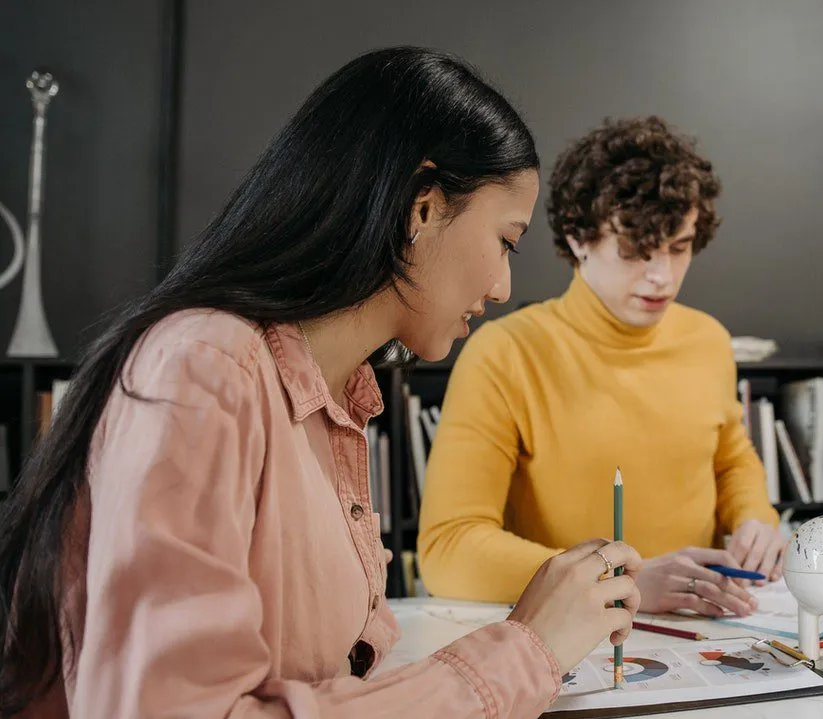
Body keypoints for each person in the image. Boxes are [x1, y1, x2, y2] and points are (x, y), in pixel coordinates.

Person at [0, 47, 642, 719]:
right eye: (506, 241)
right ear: (421, 207)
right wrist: (522, 650)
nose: (505, 285)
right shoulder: (206, 369)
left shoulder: (333, 399)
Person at [417, 116, 782, 617]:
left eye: (679, 248)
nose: (663, 276)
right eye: (635, 251)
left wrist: (755, 521)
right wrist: (620, 579)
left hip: (705, 630)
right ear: (577, 238)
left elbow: (730, 460)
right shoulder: (506, 353)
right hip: (571, 641)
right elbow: (448, 551)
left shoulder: (708, 340)